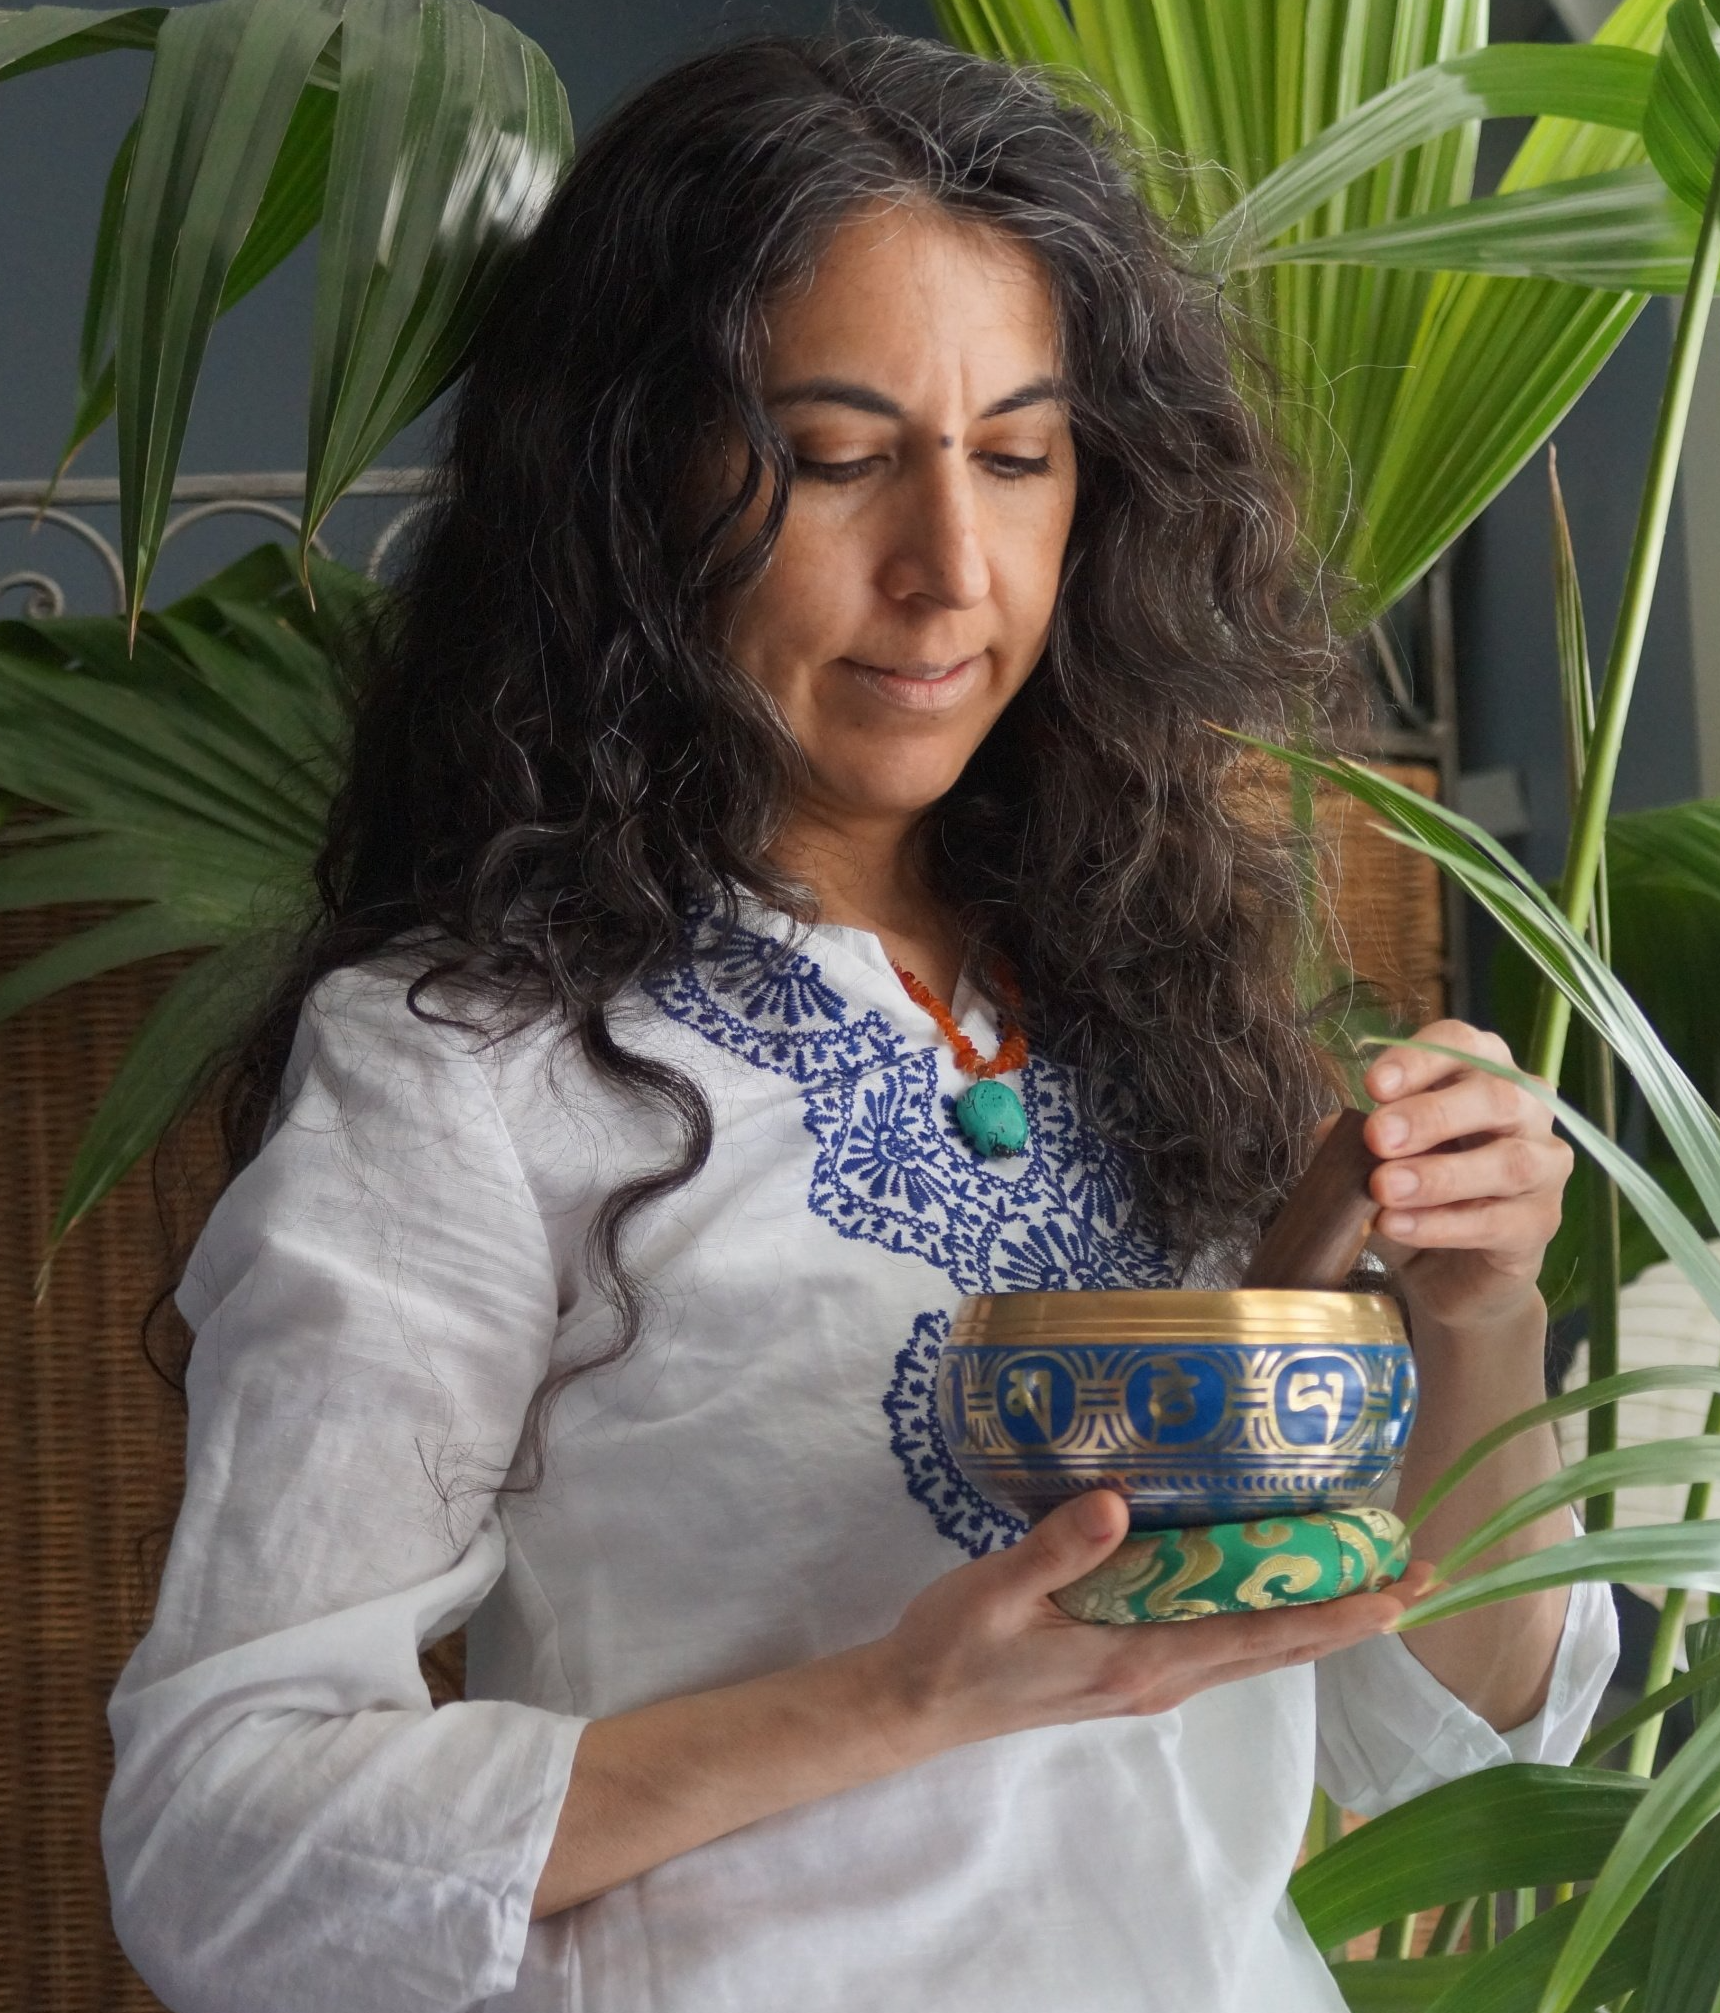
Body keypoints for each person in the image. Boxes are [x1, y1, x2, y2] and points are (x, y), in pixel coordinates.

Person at [102, 31, 1617, 2013]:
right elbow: (225, 1851)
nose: (948, 573)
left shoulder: (1165, 993)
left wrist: (1479, 1308)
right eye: (831, 459)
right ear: (634, 479)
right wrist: (897, 1697)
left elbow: (1456, 1726)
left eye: (1015, 454)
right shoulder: (474, 1067)